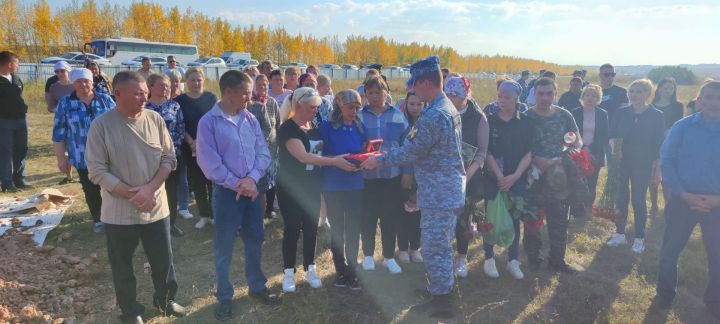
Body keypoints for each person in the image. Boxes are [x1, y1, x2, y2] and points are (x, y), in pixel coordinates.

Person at [361, 55, 465, 319]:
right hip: (444, 188)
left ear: (427, 83)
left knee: (434, 246)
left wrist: (379, 160)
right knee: (439, 244)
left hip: (439, 192)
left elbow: (410, 152)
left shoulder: (433, 115)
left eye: (414, 85)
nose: (411, 90)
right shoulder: (446, 107)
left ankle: (444, 302)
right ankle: (442, 291)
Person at [85, 71, 186, 324]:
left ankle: (165, 300)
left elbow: (169, 158)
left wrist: (149, 189)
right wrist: (133, 193)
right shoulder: (102, 126)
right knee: (122, 266)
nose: (144, 98)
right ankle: (130, 311)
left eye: (145, 93)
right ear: (117, 94)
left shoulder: (155, 119)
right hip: (119, 213)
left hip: (155, 207)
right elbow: (97, 171)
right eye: (138, 93)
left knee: (163, 261)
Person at [194, 71, 280, 320]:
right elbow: (209, 163)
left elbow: (263, 152)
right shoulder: (208, 122)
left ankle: (257, 286)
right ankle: (224, 296)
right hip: (227, 195)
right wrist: (239, 184)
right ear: (228, 92)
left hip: (252, 192)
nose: (249, 96)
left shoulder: (250, 118)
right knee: (225, 247)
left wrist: (252, 179)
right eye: (245, 92)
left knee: (255, 239)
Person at [276, 87, 356, 293]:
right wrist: (335, 162)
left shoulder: (314, 128)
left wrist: (339, 158)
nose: (315, 111)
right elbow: (303, 157)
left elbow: (319, 156)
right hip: (291, 188)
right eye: (311, 107)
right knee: (292, 229)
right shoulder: (287, 129)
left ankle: (310, 267)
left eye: (316, 107)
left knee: (311, 227)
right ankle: (288, 272)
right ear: (298, 105)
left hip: (312, 186)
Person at [655, 81, 720, 319]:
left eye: (719, 98)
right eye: (709, 97)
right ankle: (664, 295)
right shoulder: (682, 127)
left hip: (717, 206)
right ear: (699, 100)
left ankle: (715, 302)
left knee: (717, 256)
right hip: (683, 200)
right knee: (670, 252)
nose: (715, 102)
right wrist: (683, 193)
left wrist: (717, 200)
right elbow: (668, 160)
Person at [525, 77, 581, 273]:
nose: (545, 97)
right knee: (533, 222)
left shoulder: (564, 116)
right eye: (541, 93)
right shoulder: (526, 117)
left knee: (559, 222)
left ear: (555, 93)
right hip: (534, 178)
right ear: (535, 94)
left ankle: (557, 261)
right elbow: (518, 146)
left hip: (558, 178)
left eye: (549, 93)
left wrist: (562, 157)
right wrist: (535, 159)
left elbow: (574, 142)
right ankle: (534, 260)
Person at [52, 68, 115, 233]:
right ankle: (99, 219)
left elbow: (119, 123)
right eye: (79, 81)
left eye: (86, 80)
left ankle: (115, 217)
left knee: (112, 187)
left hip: (108, 153)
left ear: (92, 81)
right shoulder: (66, 103)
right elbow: (59, 133)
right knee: (90, 189)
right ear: (73, 83)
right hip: (81, 156)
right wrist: (61, 158)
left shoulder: (105, 100)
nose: (83, 84)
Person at [606, 79, 665, 254]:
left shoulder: (656, 115)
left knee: (638, 200)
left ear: (648, 94)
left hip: (643, 164)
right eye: (632, 91)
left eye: (639, 91)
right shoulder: (621, 112)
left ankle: (639, 238)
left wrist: (657, 168)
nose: (634, 95)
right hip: (621, 162)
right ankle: (619, 233)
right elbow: (612, 133)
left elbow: (658, 143)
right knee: (621, 198)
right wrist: (614, 147)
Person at [483, 80, 534, 280]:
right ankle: (488, 257)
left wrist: (515, 176)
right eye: (500, 96)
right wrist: (499, 176)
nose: (502, 100)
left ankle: (513, 260)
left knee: (514, 218)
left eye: (507, 97)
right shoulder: (489, 120)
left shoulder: (526, 122)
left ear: (516, 98)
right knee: (490, 217)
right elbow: (487, 151)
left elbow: (530, 152)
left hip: (516, 177)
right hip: (493, 177)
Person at [358, 76, 408, 275]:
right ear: (366, 95)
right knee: (368, 217)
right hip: (367, 178)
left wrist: (408, 173)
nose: (375, 96)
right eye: (370, 93)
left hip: (392, 177)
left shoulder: (398, 116)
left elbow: (408, 147)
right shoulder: (360, 117)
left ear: (386, 92)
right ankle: (368, 255)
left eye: (378, 92)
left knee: (390, 218)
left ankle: (388, 257)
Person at [319, 89, 367, 290]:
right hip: (333, 185)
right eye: (350, 107)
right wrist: (336, 161)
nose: (354, 111)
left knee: (354, 228)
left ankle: (353, 269)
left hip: (355, 185)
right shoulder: (326, 127)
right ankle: (340, 270)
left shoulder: (360, 126)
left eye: (357, 107)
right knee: (338, 228)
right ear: (339, 104)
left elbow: (366, 150)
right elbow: (318, 156)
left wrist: (364, 160)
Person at [444, 76, 489, 278]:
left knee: (463, 218)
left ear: (465, 95)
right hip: (443, 175)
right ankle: (442, 257)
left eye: (455, 95)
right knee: (444, 218)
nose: (451, 98)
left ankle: (461, 257)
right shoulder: (441, 113)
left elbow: (482, 151)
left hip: (468, 177)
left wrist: (469, 172)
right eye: (448, 94)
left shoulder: (478, 117)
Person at [176, 67, 217, 229]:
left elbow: (215, 121)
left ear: (203, 80)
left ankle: (215, 214)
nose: (196, 83)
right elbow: (180, 124)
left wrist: (200, 141)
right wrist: (191, 141)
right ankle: (204, 215)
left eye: (199, 79)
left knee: (212, 182)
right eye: (192, 79)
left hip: (209, 146)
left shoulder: (211, 97)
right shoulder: (180, 101)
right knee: (197, 181)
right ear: (186, 81)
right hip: (189, 147)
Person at [146, 74, 187, 237]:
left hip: (172, 156)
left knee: (171, 190)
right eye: (161, 85)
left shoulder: (174, 106)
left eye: (167, 85)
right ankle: (152, 224)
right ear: (150, 87)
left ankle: (171, 223)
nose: (166, 88)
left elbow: (181, 128)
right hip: (149, 158)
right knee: (153, 190)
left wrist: (170, 149)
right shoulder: (144, 107)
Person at [570, 85, 609, 215]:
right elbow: (570, 133)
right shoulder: (574, 112)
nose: (590, 98)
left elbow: (604, 135)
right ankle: (576, 210)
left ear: (598, 99)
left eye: (594, 96)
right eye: (588, 95)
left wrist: (590, 149)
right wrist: (582, 148)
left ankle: (588, 208)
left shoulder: (603, 114)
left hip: (595, 154)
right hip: (577, 152)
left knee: (592, 182)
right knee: (577, 181)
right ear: (583, 97)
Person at [649, 77, 684, 216]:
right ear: (659, 89)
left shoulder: (678, 105)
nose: (668, 91)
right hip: (652, 145)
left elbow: (678, 125)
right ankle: (653, 206)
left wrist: (665, 132)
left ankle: (668, 206)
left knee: (667, 179)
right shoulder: (651, 105)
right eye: (665, 88)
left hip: (670, 145)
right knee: (653, 178)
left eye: (671, 88)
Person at [247, 74, 281, 220]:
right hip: (256, 150)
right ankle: (256, 214)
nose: (263, 87)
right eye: (259, 84)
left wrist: (278, 144)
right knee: (259, 182)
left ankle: (269, 209)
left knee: (271, 180)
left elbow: (277, 124)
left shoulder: (272, 102)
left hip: (272, 148)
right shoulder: (250, 103)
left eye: (265, 84)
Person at [397, 92, 424, 264]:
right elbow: (402, 150)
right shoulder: (402, 123)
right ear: (406, 104)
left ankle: (415, 248)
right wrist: (407, 171)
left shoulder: (428, 123)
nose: (415, 108)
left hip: (423, 176)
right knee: (403, 212)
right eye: (412, 104)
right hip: (405, 175)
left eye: (419, 104)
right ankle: (402, 248)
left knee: (418, 213)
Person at [0, 51, 30, 193]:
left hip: (21, 120)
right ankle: (7, 183)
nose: (18, 65)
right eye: (17, 63)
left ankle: (19, 179)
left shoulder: (17, 79)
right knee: (6, 152)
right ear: (9, 64)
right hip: (4, 121)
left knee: (21, 149)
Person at [164, 69, 192, 220]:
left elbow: (181, 125)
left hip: (178, 148)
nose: (174, 84)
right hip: (156, 151)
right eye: (171, 81)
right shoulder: (151, 104)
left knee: (182, 179)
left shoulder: (179, 102)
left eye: (177, 81)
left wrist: (175, 144)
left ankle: (183, 206)